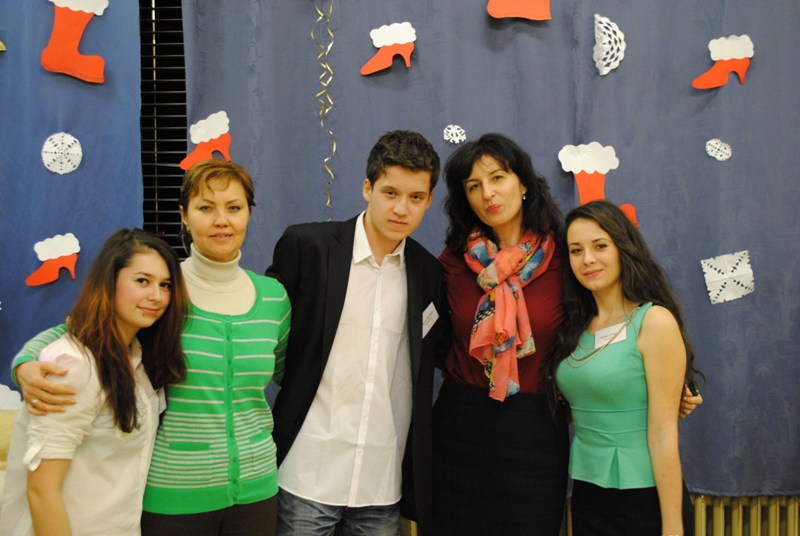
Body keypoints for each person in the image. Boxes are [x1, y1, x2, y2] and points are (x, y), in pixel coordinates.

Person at [433, 133, 702, 535]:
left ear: (523, 183)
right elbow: (434, 342)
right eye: (474, 186)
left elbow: (616, 322)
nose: (488, 193)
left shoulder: (566, 257)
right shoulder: (454, 263)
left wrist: (672, 386)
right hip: (461, 429)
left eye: (498, 177)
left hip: (536, 432)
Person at [11, 160, 291, 536]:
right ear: (185, 216)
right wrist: (26, 363)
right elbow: (81, 330)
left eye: (234, 207)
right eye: (205, 208)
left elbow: (291, 374)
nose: (221, 220)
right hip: (174, 494)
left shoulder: (273, 298)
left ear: (248, 214)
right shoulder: (161, 290)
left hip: (258, 491)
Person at [266, 130, 444, 536]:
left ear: (429, 200)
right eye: (390, 193)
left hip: (381, 482)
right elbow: (265, 339)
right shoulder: (308, 247)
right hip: (306, 472)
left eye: (416, 197)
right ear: (367, 188)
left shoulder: (428, 273)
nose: (401, 208)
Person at [0, 228, 187, 535]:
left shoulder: (137, 358)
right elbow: (42, 490)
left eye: (165, 285)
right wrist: (23, 365)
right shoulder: (75, 365)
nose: (156, 296)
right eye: (142, 281)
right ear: (109, 282)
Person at [546, 200, 699, 535]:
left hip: (644, 496)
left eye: (600, 246)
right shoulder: (575, 327)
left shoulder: (653, 320)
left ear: (623, 249)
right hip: (587, 493)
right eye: (576, 251)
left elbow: (663, 436)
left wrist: (673, 527)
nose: (587, 259)